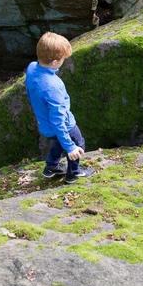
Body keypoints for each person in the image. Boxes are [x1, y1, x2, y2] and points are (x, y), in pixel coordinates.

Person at [25, 32, 94, 183]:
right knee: (78, 144)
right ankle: (73, 173)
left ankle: (51, 167)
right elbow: (58, 121)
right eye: (63, 59)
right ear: (55, 62)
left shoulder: (31, 68)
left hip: (45, 126)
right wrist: (70, 147)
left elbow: (29, 91)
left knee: (57, 143)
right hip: (65, 125)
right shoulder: (53, 86)